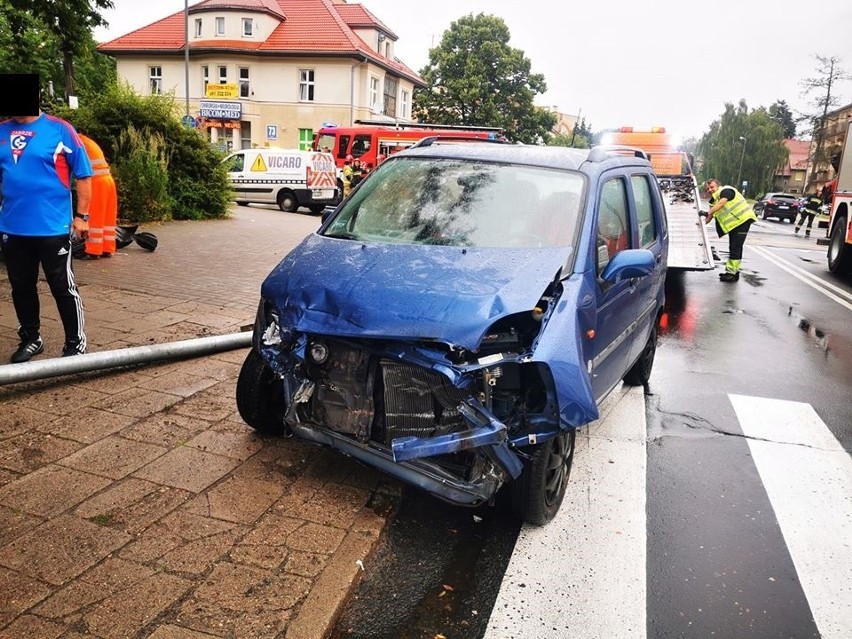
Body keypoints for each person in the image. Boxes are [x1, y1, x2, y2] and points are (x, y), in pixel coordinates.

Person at [0, 110, 93, 362]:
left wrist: (82, 217)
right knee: (21, 287)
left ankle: (75, 344)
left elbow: (83, 174)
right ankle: (31, 338)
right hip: (13, 228)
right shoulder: (2, 130)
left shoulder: (61, 129)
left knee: (63, 287)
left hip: (53, 227)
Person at [703, 178, 757, 282]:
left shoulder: (726, 191)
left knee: (735, 247)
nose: (710, 190)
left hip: (742, 221)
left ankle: (731, 274)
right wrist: (701, 223)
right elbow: (709, 217)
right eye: (708, 188)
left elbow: (721, 204)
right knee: (733, 247)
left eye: (712, 187)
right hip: (735, 225)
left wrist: (707, 212)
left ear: (718, 186)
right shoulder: (713, 201)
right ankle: (733, 272)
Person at [79, 133, 118, 258]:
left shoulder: (75, 142)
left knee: (94, 216)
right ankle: (107, 248)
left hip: (96, 181)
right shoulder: (87, 141)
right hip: (107, 180)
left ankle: (93, 251)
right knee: (107, 218)